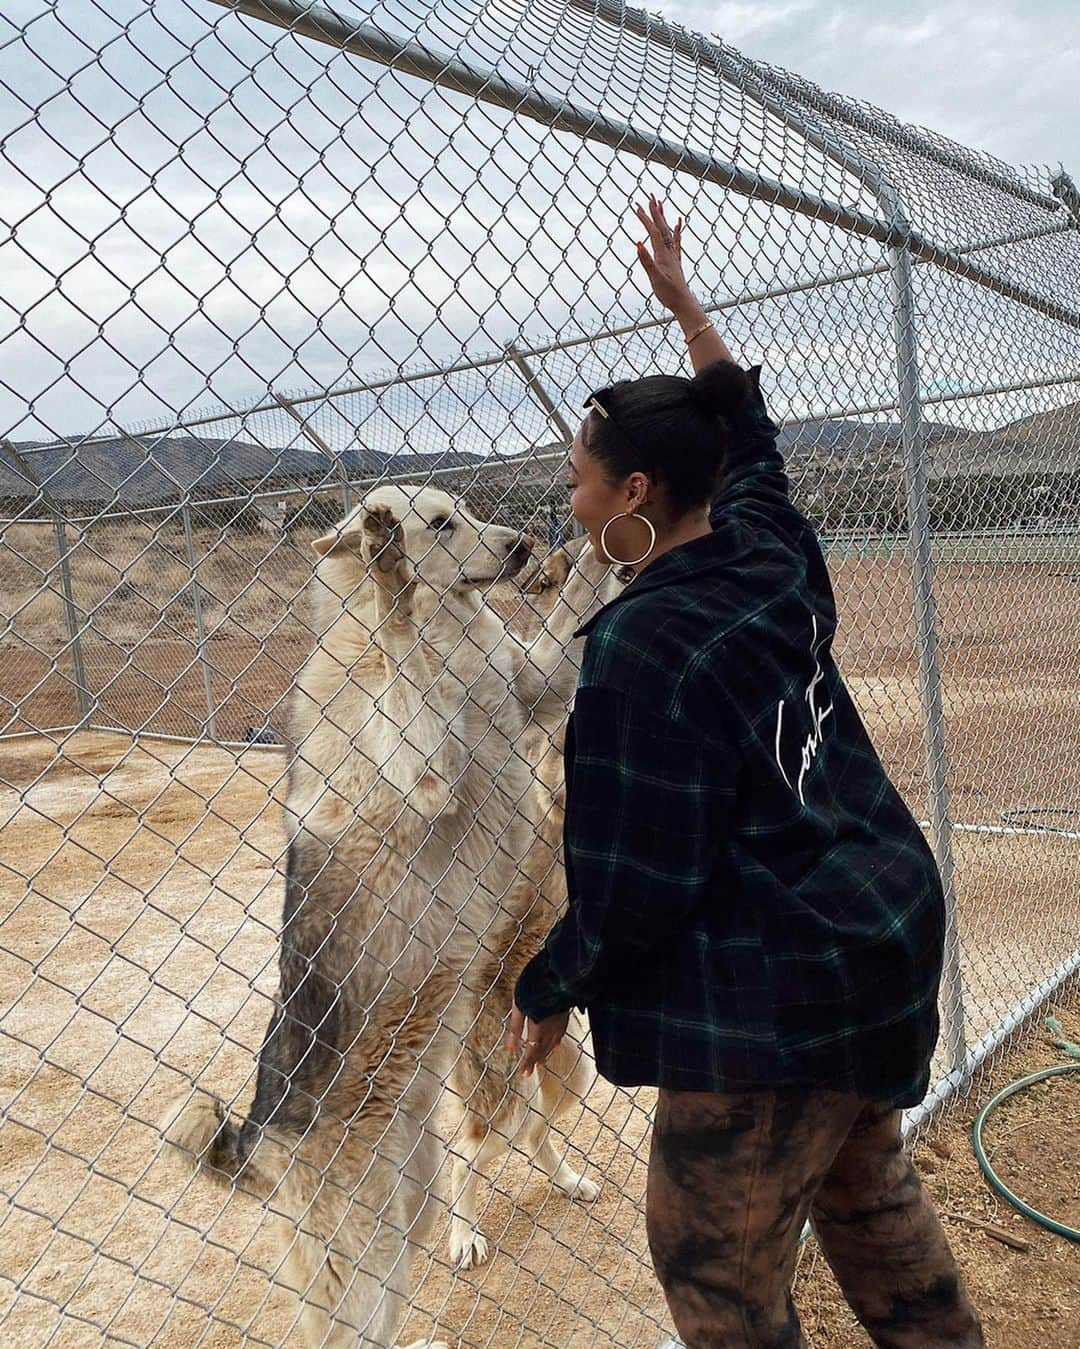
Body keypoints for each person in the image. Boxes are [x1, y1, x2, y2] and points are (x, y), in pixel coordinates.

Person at [506, 195, 983, 1349]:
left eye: (579, 479)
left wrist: (546, 983)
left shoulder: (638, 651)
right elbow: (748, 430)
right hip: (871, 933)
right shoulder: (767, 548)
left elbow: (635, 885)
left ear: (632, 494)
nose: (568, 501)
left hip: (771, 1000)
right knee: (868, 1192)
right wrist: (688, 311)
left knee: (717, 1280)